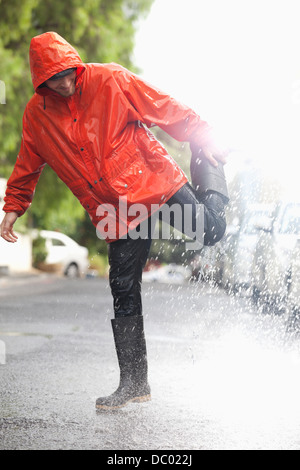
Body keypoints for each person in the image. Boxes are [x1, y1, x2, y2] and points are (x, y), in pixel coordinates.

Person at [0, 32, 229, 410]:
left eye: (67, 72)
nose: (64, 82)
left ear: (74, 62)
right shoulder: (36, 116)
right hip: (115, 209)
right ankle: (135, 382)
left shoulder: (110, 79)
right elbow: (27, 164)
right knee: (123, 287)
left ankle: (207, 161)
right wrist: (14, 206)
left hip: (153, 180)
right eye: (53, 78)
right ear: (40, 80)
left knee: (211, 231)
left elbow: (163, 107)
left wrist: (204, 136)